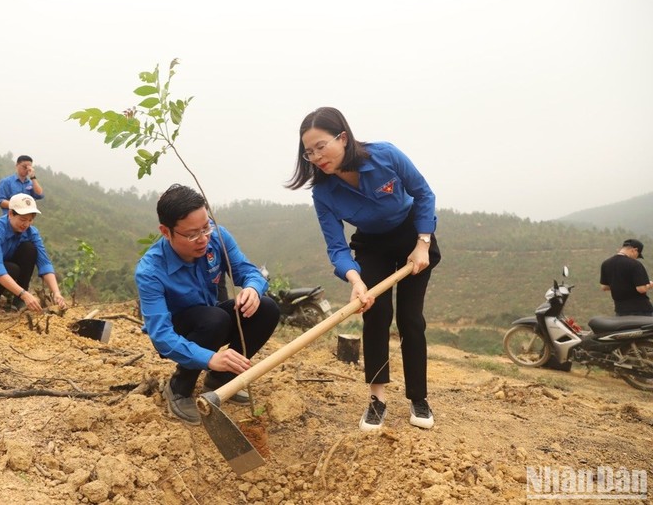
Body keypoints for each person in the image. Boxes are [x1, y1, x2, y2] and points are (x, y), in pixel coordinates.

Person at [286, 107, 441, 431]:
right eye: (309, 152)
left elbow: (423, 193)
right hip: (371, 246)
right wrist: (355, 279)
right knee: (376, 314)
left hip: (413, 236)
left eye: (321, 146)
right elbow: (337, 246)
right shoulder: (324, 192)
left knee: (411, 319)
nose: (315, 156)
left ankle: (418, 398)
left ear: (343, 138)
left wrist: (423, 243)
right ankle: (377, 398)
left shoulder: (385, 156)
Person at [135, 184, 279, 425]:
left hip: (211, 319)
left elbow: (246, 270)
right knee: (214, 319)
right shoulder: (150, 270)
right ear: (166, 232)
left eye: (206, 228)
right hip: (180, 332)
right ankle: (180, 387)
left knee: (266, 308)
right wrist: (209, 358)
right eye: (192, 234)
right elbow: (160, 335)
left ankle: (221, 379)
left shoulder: (219, 238)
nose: (203, 239)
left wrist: (253, 288)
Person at [0, 193, 67, 313]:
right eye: (22, 219)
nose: (26, 224)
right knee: (11, 269)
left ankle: (18, 301)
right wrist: (24, 294)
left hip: (4, 265)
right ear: (11, 214)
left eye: (30, 220)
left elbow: (44, 263)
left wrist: (56, 293)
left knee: (29, 249)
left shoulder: (31, 232)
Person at [600, 239, 653, 316]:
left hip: (620, 311)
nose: (636, 258)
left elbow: (604, 287)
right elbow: (641, 289)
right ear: (634, 250)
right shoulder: (635, 264)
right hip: (641, 310)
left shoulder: (606, 263)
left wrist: (622, 285)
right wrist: (650, 284)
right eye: (637, 255)